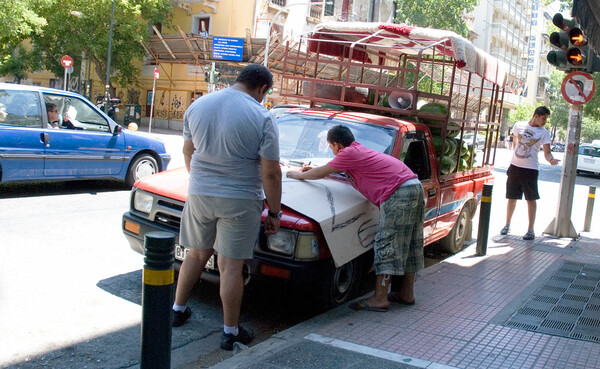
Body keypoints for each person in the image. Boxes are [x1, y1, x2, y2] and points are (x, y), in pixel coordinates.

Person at [171, 64, 282, 351]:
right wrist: (274, 212)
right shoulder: (262, 116)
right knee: (231, 265)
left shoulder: (198, 105)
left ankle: (178, 309)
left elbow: (188, 151)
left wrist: (200, 181)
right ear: (262, 88)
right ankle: (230, 331)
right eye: (265, 93)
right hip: (241, 198)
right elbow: (270, 173)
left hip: (200, 192)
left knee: (195, 255)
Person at [286, 125, 424, 311]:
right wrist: (317, 168)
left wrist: (297, 174)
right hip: (413, 187)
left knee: (386, 243)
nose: (332, 152)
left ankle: (380, 298)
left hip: (398, 193)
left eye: (331, 147)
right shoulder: (358, 151)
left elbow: (321, 173)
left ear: (336, 145)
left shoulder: (349, 153)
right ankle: (406, 294)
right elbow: (333, 169)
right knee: (409, 244)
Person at [500, 106, 560, 240]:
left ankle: (530, 230)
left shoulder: (544, 133)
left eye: (546, 119)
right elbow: (515, 142)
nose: (545, 121)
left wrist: (551, 160)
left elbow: (547, 152)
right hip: (515, 167)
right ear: (536, 116)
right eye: (543, 119)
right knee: (512, 197)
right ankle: (507, 224)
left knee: (531, 199)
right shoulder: (518, 125)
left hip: (531, 169)